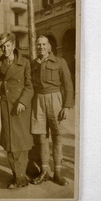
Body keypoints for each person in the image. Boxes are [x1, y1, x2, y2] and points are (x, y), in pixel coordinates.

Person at [31, 35, 74, 186]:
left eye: (43, 44)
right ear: (36, 47)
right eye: (38, 45)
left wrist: (67, 106)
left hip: (55, 100)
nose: (41, 47)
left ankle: (58, 172)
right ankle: (44, 172)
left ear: (48, 46)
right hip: (38, 101)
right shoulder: (33, 64)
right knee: (41, 138)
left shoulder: (60, 62)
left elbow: (68, 84)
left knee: (57, 137)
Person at [0, 33, 34, 189]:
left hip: (20, 106)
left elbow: (30, 86)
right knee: (9, 142)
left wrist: (23, 102)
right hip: (6, 105)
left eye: (7, 45)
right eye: (2, 47)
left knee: (21, 141)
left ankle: (21, 176)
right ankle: (16, 175)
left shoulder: (24, 63)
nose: (5, 49)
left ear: (13, 45)